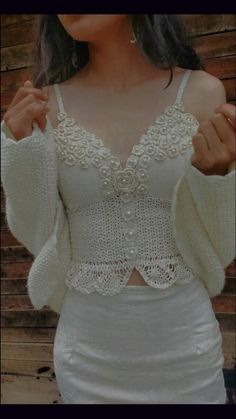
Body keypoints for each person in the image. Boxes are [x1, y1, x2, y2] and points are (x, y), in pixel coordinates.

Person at [1, 14, 235, 404]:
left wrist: (216, 178)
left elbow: (220, 241)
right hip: (89, 351)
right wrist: (18, 154)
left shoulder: (202, 92)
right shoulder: (47, 105)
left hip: (185, 346)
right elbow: (36, 230)